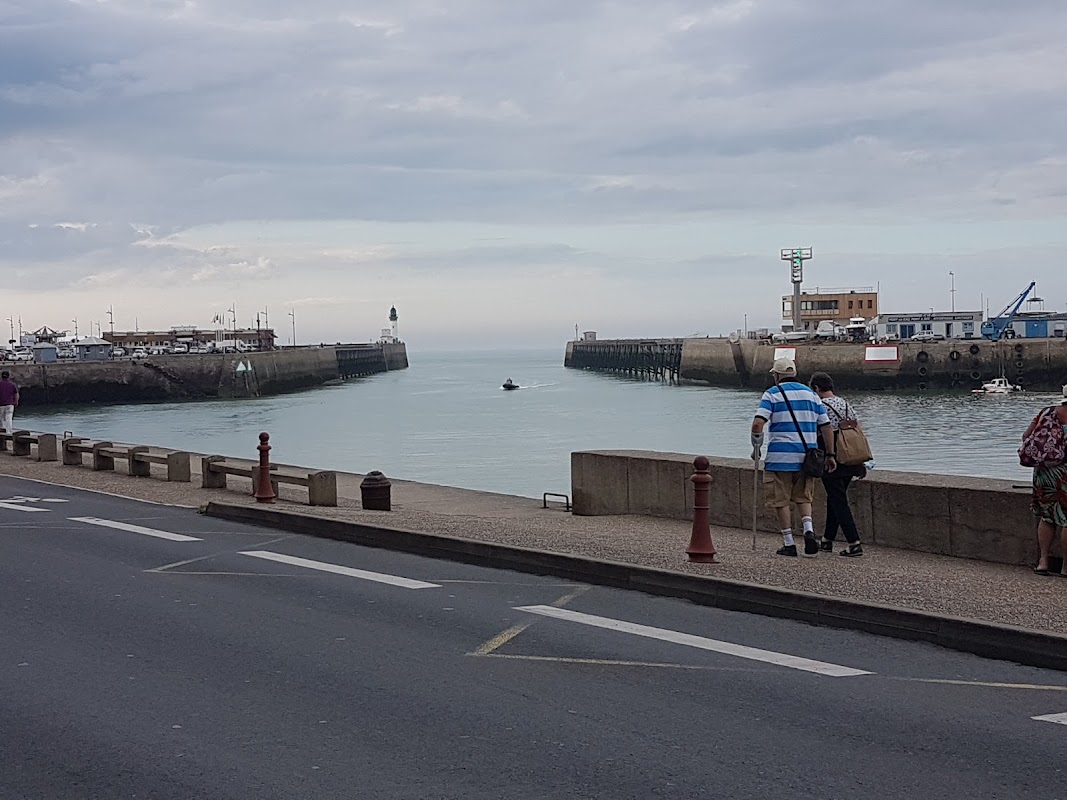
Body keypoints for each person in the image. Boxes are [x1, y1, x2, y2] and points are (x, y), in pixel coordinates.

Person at [751, 357, 836, 557]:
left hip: (779, 458)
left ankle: (789, 543)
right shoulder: (812, 396)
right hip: (807, 457)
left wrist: (756, 447)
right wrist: (830, 454)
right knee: (804, 497)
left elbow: (758, 424)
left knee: (781, 500)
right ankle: (808, 530)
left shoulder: (772, 394)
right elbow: (826, 427)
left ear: (777, 375)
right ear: (794, 374)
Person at [809, 372, 864, 557]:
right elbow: (857, 428)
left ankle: (854, 542)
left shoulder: (820, 406)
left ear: (816, 388)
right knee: (835, 499)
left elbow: (822, 431)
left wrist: (828, 455)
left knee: (839, 501)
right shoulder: (845, 404)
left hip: (832, 458)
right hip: (850, 456)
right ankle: (827, 540)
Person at [1027, 386, 1067, 576]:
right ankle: (1066, 566)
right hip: (1065, 473)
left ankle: (1043, 562)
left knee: (1047, 516)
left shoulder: (1047, 412)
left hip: (1044, 473)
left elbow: (1027, 437)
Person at [0, 370, 18, 434]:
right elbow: (16, 394)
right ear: (8, 376)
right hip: (10, 404)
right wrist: (16, 401)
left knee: (0, 419)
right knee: (9, 418)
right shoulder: (12, 384)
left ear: (1, 376)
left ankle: (1, 431)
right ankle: (9, 432)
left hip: (1, 404)